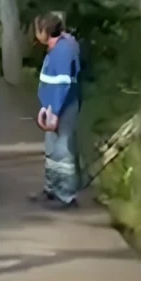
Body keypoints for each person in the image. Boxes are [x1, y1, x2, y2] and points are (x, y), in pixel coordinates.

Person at [32, 12, 82, 209]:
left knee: (63, 150)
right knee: (53, 149)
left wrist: (54, 112)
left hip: (62, 107)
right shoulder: (59, 47)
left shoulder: (63, 51)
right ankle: (52, 188)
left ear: (45, 31)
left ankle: (66, 195)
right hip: (53, 107)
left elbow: (62, 84)